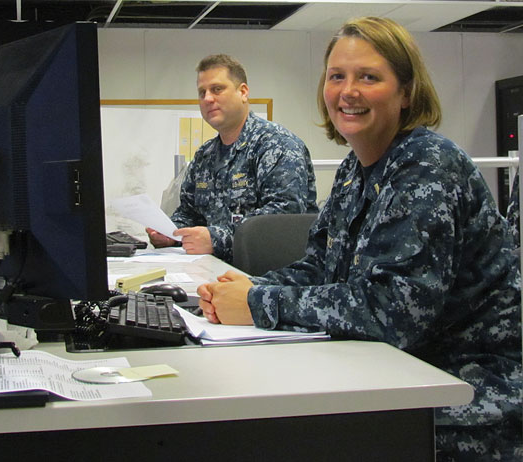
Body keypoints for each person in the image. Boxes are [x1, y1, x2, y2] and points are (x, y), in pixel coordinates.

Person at [197, 17, 522, 461]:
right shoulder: (357, 168)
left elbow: (393, 311)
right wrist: (247, 289)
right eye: (337, 76)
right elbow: (318, 265)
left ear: (406, 92)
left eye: (368, 77)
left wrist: (259, 304)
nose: (348, 91)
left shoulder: (427, 167)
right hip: (398, 371)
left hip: (468, 390)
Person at [147, 54, 318, 263]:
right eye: (202, 92)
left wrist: (216, 238)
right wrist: (171, 233)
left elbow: (282, 217)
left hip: (269, 278)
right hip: (212, 271)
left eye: (217, 89)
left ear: (243, 92)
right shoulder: (205, 156)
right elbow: (189, 212)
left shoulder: (277, 145)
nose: (208, 98)